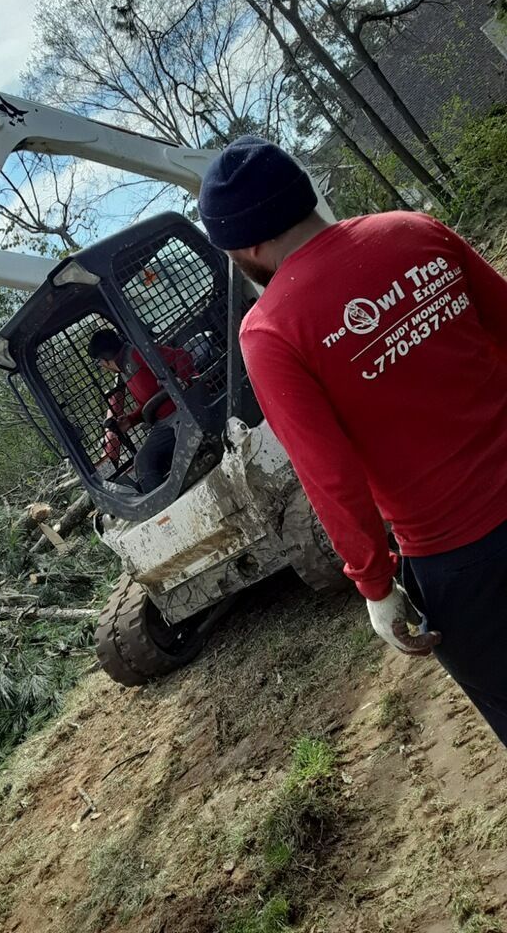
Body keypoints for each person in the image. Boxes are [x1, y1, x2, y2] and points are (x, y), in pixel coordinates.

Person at [198, 135, 507, 747]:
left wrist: (373, 583)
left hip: (465, 561)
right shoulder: (414, 230)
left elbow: (330, 477)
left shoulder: (271, 330)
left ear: (248, 245)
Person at [88, 328, 195, 493]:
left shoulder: (137, 354)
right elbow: (149, 403)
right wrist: (131, 420)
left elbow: (180, 355)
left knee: (187, 443)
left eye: (99, 363)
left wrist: (184, 382)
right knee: (143, 460)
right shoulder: (125, 371)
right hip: (164, 423)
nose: (102, 367)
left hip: (182, 412)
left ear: (105, 360)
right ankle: (163, 504)